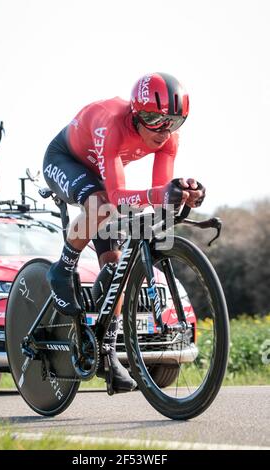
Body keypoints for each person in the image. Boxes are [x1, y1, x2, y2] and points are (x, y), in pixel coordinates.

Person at [43, 72, 205, 392]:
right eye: (153, 119)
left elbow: (161, 196)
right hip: (65, 160)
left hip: (103, 176)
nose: (163, 131)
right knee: (102, 205)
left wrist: (182, 197)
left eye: (173, 121)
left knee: (117, 268)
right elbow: (117, 197)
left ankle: (107, 351)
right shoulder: (112, 123)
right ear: (136, 114)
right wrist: (159, 195)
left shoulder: (168, 138)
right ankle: (62, 268)